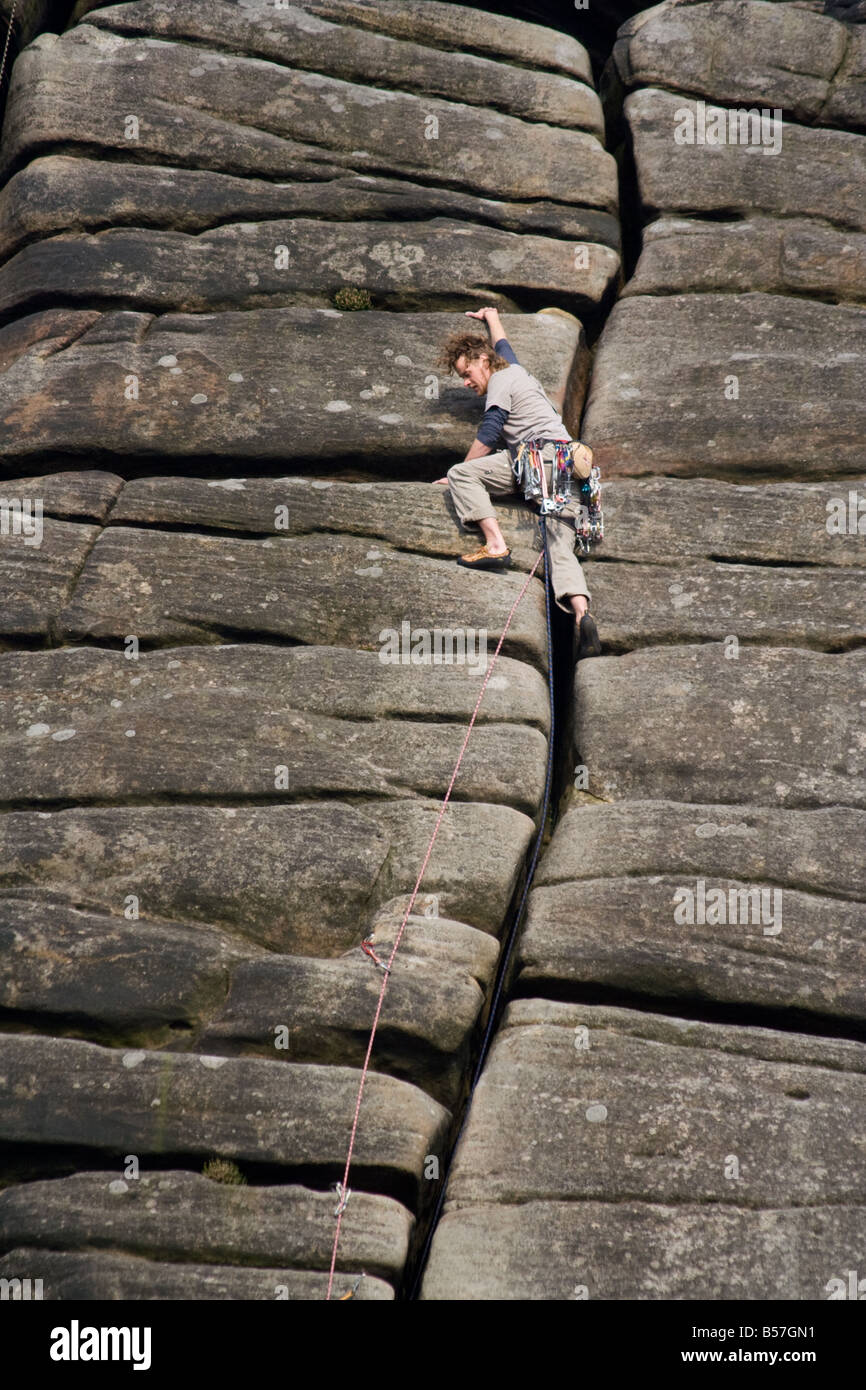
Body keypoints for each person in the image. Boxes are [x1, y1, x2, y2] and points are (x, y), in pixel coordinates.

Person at [434, 306, 601, 659]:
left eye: (466, 372)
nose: (466, 382)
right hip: (568, 469)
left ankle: (495, 545)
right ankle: (582, 613)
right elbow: (504, 347)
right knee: (559, 547)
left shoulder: (499, 382)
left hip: (538, 461)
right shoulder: (516, 372)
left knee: (461, 473)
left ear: (482, 360)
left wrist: (457, 476)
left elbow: (491, 430)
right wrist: (491, 317)